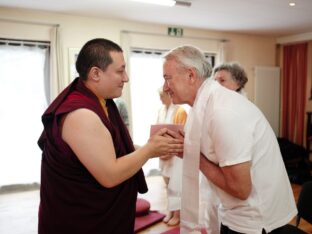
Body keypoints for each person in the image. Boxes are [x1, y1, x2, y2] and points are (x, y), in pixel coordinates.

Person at [37, 38, 183, 234]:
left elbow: (114, 149)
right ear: (95, 73)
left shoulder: (102, 102)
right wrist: (149, 150)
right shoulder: (81, 115)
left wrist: (157, 147)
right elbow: (109, 175)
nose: (126, 78)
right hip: (81, 220)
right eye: (120, 71)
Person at [162, 45, 297, 234]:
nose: (164, 87)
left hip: (254, 219)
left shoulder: (223, 112)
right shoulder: (203, 104)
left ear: (191, 75)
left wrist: (191, 154)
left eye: (167, 78)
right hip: (231, 211)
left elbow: (241, 189)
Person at [156, 87, 187, 226]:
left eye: (162, 95)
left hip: (175, 154)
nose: (160, 98)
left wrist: (170, 151)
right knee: (167, 184)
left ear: (169, 95)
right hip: (163, 152)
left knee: (177, 185)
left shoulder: (180, 111)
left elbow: (182, 135)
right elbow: (156, 131)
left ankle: (178, 214)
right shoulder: (161, 110)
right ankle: (171, 210)